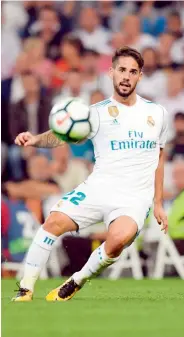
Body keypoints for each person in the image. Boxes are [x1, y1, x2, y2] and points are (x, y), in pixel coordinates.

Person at [12, 46, 169, 302]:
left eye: (133, 71)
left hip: (135, 197)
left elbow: (159, 158)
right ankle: (25, 289)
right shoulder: (96, 113)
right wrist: (34, 140)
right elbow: (61, 135)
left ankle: (76, 281)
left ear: (140, 76)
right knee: (52, 223)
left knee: (119, 239)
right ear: (111, 73)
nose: (126, 76)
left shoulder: (157, 113)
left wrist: (158, 202)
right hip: (98, 188)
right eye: (122, 70)